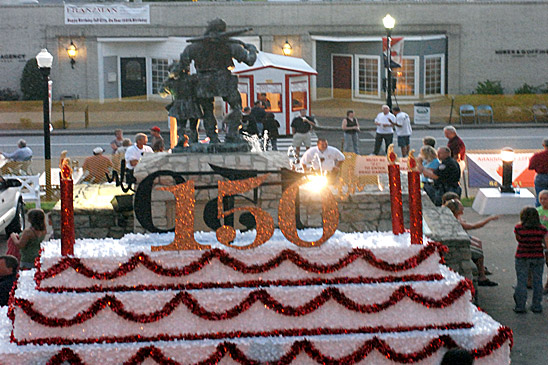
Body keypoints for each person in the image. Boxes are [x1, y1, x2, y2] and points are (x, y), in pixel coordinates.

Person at [445, 199, 499, 286]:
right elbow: (473, 226)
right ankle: (482, 277)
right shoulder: (456, 221)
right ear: (455, 210)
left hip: (460, 241)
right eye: (460, 207)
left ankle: (481, 272)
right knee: (479, 255)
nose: (463, 208)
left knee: (478, 248)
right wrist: (490, 218)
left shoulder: (453, 218)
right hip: (458, 246)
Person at [513, 207, 548, 313]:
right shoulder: (542, 229)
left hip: (522, 255)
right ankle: (536, 305)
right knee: (537, 281)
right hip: (537, 256)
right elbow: (546, 244)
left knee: (521, 281)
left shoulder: (518, 228)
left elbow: (519, 240)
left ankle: (520, 306)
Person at [528, 138, 548, 206]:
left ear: (543, 145)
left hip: (541, 177)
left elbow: (530, 167)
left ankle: (540, 214)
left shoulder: (537, 156)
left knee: (540, 198)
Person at [536, 190, 548, 292]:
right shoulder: (537, 211)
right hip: (538, 239)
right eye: (541, 199)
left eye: (545, 199)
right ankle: (529, 281)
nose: (543, 201)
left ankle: (547, 284)